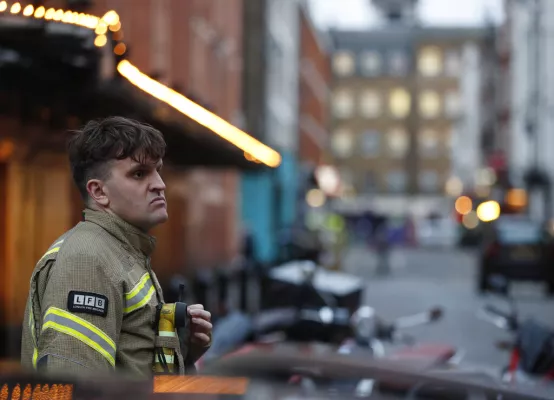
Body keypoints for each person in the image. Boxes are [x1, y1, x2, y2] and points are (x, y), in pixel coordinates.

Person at [20, 116, 212, 377]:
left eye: (158, 170)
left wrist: (182, 348)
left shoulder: (123, 250)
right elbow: (79, 389)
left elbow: (133, 364)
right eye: (139, 173)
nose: (160, 184)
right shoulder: (87, 259)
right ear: (99, 192)